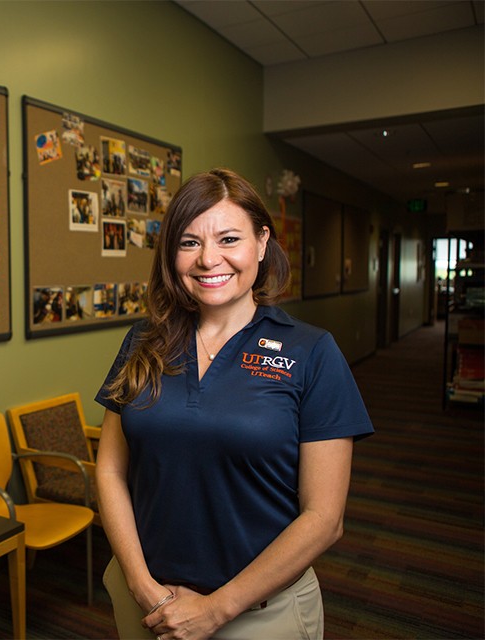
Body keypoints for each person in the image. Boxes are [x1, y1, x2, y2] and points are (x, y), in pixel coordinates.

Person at [95, 168, 373, 640]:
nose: (208, 260)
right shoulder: (144, 342)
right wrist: (142, 586)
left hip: (259, 614)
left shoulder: (312, 352)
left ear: (262, 243)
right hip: (147, 600)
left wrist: (218, 609)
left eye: (228, 238)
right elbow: (110, 470)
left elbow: (324, 520)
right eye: (189, 242)